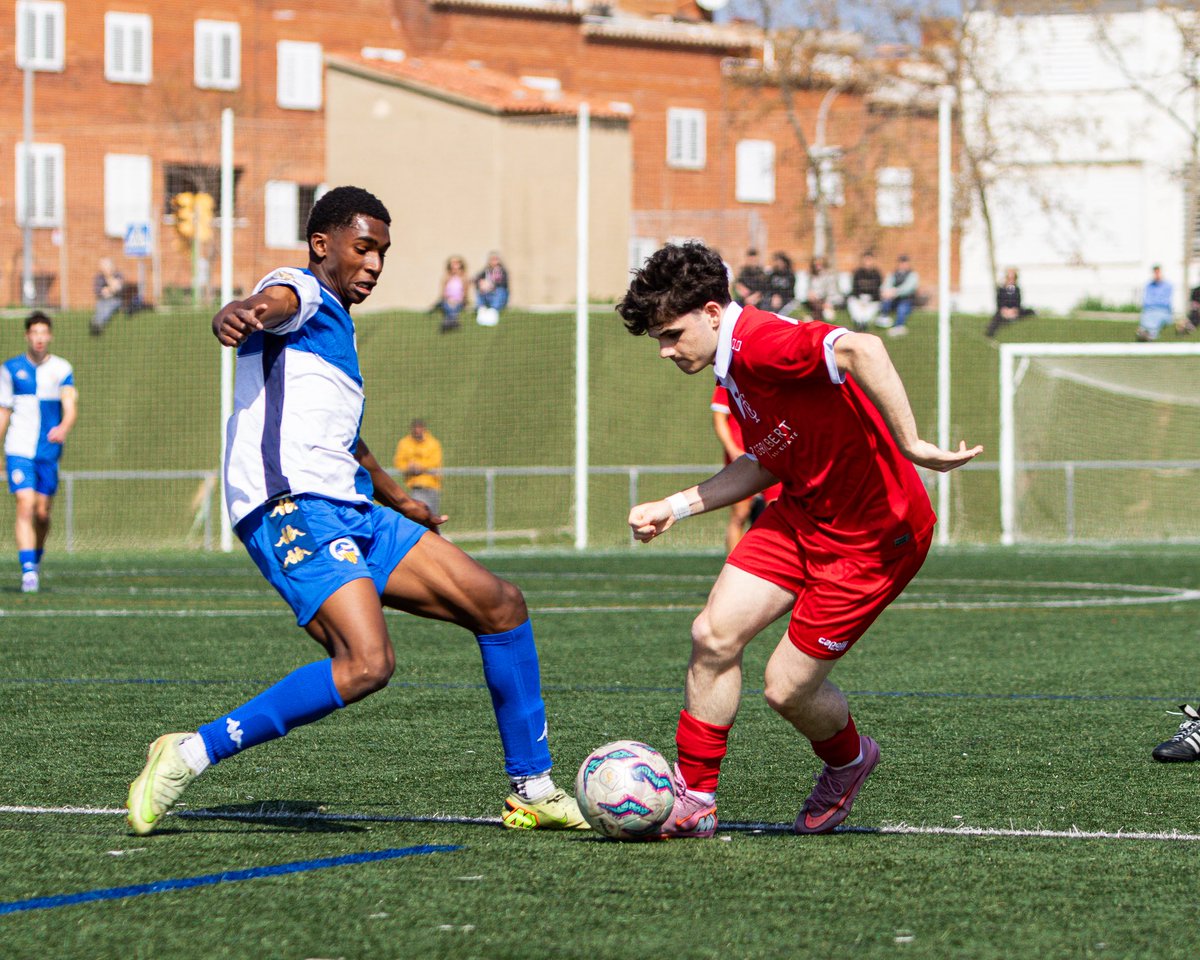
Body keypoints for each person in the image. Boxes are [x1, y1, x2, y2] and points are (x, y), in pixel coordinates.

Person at [125, 186, 586, 836]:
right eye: (363, 247)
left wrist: (399, 499)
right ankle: (187, 753)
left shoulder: (337, 327)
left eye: (383, 253)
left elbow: (346, 441)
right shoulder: (300, 291)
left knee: (501, 605)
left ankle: (532, 787)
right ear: (323, 244)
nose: (373, 263)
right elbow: (273, 301)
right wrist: (240, 311)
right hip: (291, 507)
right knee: (367, 665)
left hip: (351, 508)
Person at [616, 241, 981, 838]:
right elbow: (768, 459)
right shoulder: (731, 362)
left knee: (786, 690)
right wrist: (676, 506)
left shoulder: (760, 342)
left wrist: (912, 444)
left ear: (712, 312)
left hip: (874, 535)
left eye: (671, 334)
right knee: (713, 634)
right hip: (805, 511)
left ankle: (849, 759)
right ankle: (694, 800)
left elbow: (863, 347)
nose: (664, 350)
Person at [0, 312, 77, 594]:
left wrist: (64, 426)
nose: (40, 337)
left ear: (50, 335)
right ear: (27, 336)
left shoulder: (61, 368)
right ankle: (28, 571)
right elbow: (3, 413)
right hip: (18, 448)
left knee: (42, 514)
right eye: (35, 332)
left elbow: (70, 405)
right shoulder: (10, 370)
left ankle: (36, 558)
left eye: (44, 332)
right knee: (25, 504)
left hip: (47, 451)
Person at [711, 385, 782, 552]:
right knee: (740, 514)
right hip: (741, 458)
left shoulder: (771, 379)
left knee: (776, 512)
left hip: (772, 455)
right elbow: (718, 420)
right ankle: (732, 564)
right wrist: (731, 448)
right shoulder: (728, 382)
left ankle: (768, 565)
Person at [393, 418, 443, 516]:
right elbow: (399, 462)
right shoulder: (405, 443)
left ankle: (434, 531)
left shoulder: (433, 443)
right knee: (418, 516)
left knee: (433, 516)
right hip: (416, 486)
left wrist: (420, 467)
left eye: (420, 429)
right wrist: (409, 468)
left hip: (432, 485)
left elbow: (435, 463)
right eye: (415, 430)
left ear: (424, 430)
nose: (417, 432)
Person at [985, 267, 1036, 338]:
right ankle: (990, 335)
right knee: (995, 320)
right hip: (1003, 311)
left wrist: (1014, 310)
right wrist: (1005, 310)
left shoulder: (1016, 289)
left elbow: (1018, 301)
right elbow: (999, 302)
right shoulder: (1001, 289)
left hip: (1014, 311)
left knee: (1030, 311)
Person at [878, 254, 919, 337]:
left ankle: (898, 326)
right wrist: (887, 292)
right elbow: (887, 284)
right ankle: (883, 317)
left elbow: (908, 288)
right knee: (886, 301)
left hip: (906, 299)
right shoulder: (893, 274)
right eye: (901, 263)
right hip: (894, 299)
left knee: (902, 309)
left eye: (905, 263)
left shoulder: (913, 275)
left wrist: (895, 292)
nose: (903, 265)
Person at [846, 251, 883, 332]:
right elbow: (855, 289)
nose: (867, 263)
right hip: (859, 298)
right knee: (853, 305)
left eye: (869, 260)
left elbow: (877, 290)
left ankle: (864, 323)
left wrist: (869, 300)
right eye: (866, 260)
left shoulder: (877, 274)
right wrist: (860, 300)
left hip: (872, 299)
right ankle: (858, 322)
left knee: (869, 310)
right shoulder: (858, 273)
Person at [1136, 265, 1174, 342]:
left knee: (1156, 317)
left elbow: (1165, 302)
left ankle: (1151, 334)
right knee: (1146, 316)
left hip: (1163, 310)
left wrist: (1154, 305)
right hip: (1150, 309)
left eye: (1158, 273)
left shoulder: (1168, 286)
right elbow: (1147, 300)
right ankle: (1144, 331)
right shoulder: (1149, 285)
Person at [474, 251, 509, 327]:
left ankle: (494, 310)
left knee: (500, 291)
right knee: (480, 291)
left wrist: (492, 285)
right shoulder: (485, 271)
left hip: (498, 295)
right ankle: (481, 309)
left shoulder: (502, 271)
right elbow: (476, 279)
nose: (494, 261)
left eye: (496, 259)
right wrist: (481, 283)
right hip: (488, 294)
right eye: (492, 259)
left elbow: (504, 283)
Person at [91, 257, 124, 336]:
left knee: (107, 309)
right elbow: (98, 291)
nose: (107, 269)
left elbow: (117, 289)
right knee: (100, 309)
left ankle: (98, 324)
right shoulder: (99, 277)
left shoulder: (118, 275)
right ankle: (95, 322)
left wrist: (109, 279)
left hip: (115, 300)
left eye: (108, 267)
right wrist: (109, 289)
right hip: (102, 300)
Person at [437, 256, 469, 333]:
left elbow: (465, 293)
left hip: (459, 301)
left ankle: (447, 322)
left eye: (457, 264)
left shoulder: (464, 278)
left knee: (453, 307)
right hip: (447, 301)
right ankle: (453, 321)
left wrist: (459, 300)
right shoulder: (446, 278)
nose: (455, 267)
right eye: (453, 264)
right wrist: (448, 299)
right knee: (448, 306)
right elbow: (443, 293)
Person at [804, 256, 840, 323]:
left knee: (818, 305)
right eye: (815, 265)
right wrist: (810, 294)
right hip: (814, 300)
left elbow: (831, 292)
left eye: (819, 264)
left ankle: (813, 317)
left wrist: (827, 303)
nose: (817, 266)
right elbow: (808, 289)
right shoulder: (811, 276)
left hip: (826, 299)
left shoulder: (829, 276)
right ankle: (817, 320)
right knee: (817, 303)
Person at [764, 252, 797, 316]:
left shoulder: (790, 275)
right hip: (772, 299)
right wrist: (774, 295)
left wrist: (780, 297)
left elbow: (790, 291)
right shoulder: (772, 274)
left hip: (786, 299)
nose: (778, 264)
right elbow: (768, 288)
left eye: (780, 262)